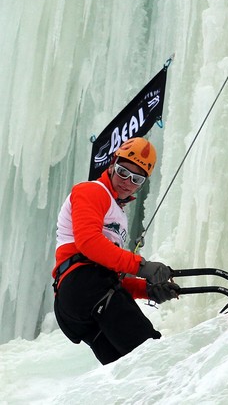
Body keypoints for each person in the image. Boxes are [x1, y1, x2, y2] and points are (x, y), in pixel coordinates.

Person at [52, 137, 180, 365]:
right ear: (112, 165)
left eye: (137, 178)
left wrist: (148, 290)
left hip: (78, 302)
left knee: (128, 371)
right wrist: (141, 266)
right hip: (83, 284)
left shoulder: (117, 215)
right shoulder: (92, 190)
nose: (127, 182)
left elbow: (112, 280)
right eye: (122, 172)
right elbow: (89, 244)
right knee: (153, 358)